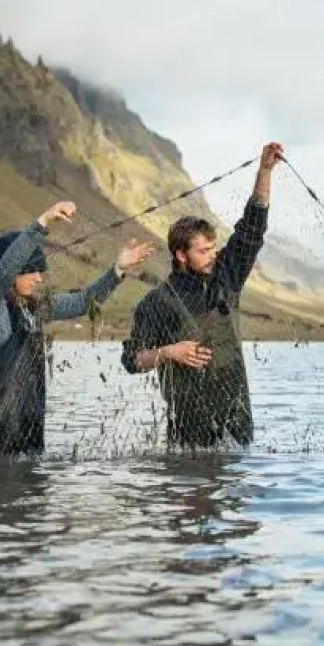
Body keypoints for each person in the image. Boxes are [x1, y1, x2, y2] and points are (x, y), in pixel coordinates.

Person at [120, 142, 284, 450]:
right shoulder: (156, 302)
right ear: (181, 255)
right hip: (188, 435)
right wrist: (168, 352)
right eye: (203, 251)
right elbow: (131, 360)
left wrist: (264, 172)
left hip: (237, 427)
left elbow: (252, 229)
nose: (212, 255)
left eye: (213, 248)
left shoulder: (227, 276)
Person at [0, 200, 153, 457]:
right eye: (32, 270)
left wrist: (118, 270)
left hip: (29, 449)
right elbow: (4, 271)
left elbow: (83, 302)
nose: (39, 277)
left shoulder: (33, 308)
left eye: (40, 270)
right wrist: (44, 221)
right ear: (16, 270)